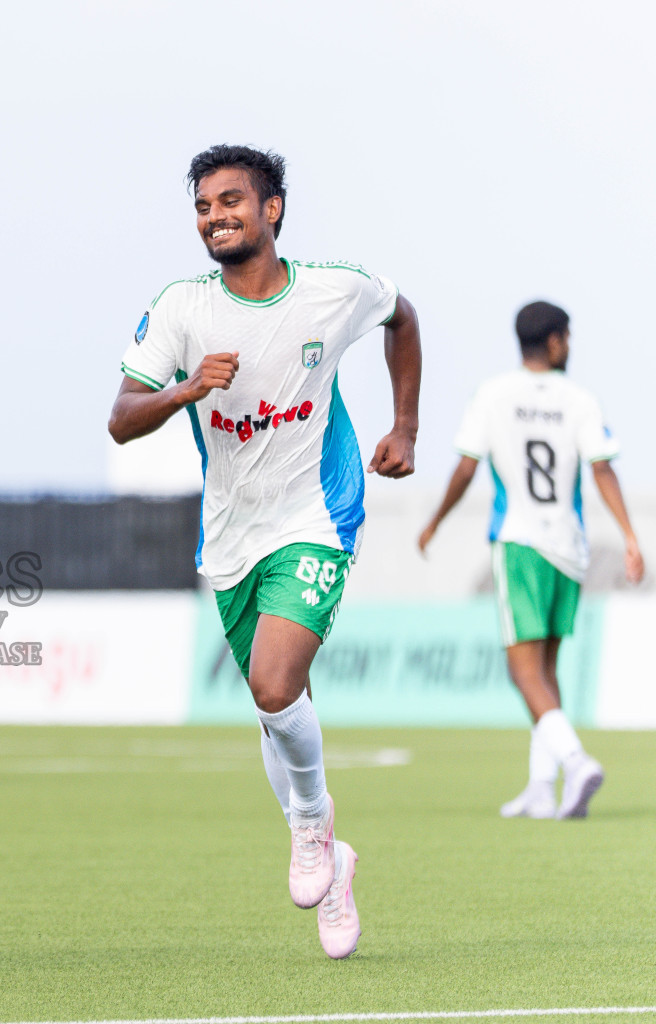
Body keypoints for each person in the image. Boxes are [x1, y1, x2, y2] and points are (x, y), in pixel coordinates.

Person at [107, 146, 422, 960]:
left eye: (231, 201)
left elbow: (405, 318)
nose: (216, 216)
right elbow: (122, 416)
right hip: (233, 535)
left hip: (318, 515)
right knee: (276, 710)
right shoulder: (181, 309)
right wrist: (185, 388)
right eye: (205, 206)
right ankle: (337, 866)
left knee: (273, 682)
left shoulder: (333, 291)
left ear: (272, 209)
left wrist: (406, 427)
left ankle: (313, 826)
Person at [418, 301, 641, 820]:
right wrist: (630, 535)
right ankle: (543, 786)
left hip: (518, 542)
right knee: (546, 668)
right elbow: (603, 470)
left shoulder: (493, 395)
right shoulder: (580, 399)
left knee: (523, 672)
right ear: (557, 341)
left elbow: (466, 468)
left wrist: (435, 521)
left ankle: (576, 760)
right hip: (569, 547)